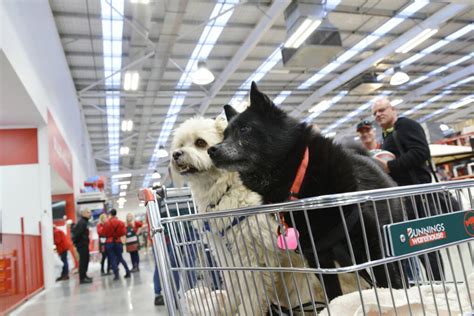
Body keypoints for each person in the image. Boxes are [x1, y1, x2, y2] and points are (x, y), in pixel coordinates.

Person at [372, 98, 443, 281]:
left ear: (393, 109)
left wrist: (390, 167)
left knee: (426, 244)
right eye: (374, 113)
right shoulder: (388, 135)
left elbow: (421, 153)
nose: (378, 115)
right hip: (404, 199)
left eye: (381, 110)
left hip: (418, 196)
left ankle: (439, 285)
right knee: (416, 246)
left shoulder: (406, 125)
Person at [102, 209, 130, 280]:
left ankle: (116, 275)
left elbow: (104, 233)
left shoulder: (106, 223)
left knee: (112, 259)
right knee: (120, 258)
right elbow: (123, 232)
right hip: (118, 241)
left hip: (109, 242)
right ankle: (127, 271)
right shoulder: (120, 223)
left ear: (110, 214)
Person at [72, 209, 93, 284]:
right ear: (83, 213)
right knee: (83, 261)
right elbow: (77, 234)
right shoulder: (82, 222)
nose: (90, 214)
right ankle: (82, 278)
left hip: (84, 244)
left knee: (86, 260)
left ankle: (84, 276)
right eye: (88, 212)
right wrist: (77, 243)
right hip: (82, 245)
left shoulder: (84, 222)